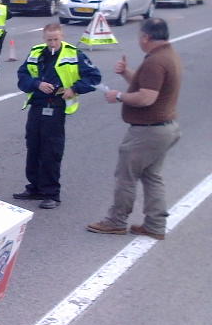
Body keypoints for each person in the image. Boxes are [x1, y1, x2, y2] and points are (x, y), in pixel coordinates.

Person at [86, 17, 181, 239]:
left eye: (140, 36)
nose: (139, 40)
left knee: (126, 176)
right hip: (166, 128)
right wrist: (127, 73)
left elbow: (147, 97)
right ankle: (155, 225)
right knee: (152, 176)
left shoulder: (155, 62)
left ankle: (116, 221)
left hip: (148, 131)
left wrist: (118, 96)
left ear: (146, 37)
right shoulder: (168, 56)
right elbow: (150, 87)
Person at [13, 23, 101, 209]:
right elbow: (22, 76)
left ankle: (51, 193)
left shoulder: (73, 54)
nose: (52, 43)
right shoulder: (36, 52)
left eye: (56, 39)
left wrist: (74, 89)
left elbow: (94, 77)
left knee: (51, 150)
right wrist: (37, 84)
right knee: (33, 147)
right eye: (49, 40)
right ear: (43, 39)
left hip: (56, 107)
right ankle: (34, 187)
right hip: (36, 106)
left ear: (62, 37)